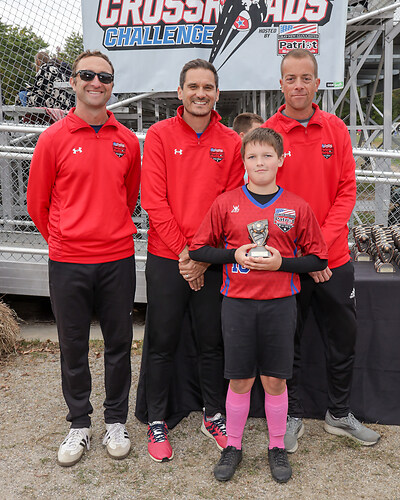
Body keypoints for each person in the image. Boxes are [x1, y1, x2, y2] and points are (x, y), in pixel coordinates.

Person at [189, 127, 328, 483]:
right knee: (240, 379)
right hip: (237, 304)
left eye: (267, 155)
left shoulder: (297, 205)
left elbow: (317, 259)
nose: (260, 162)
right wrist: (232, 255)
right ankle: (233, 446)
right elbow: (198, 249)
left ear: (281, 160)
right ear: (244, 162)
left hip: (280, 305)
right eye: (252, 156)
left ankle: (276, 445)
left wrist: (282, 263)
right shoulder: (226, 203)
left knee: (275, 380)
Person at [27, 50, 141, 466]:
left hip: (117, 259)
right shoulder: (53, 139)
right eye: (87, 75)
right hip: (68, 261)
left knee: (119, 344)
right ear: (73, 81)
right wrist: (64, 239)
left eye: (104, 77)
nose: (96, 82)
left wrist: (105, 231)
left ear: (112, 86)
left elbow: (128, 198)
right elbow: (37, 203)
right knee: (72, 345)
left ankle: (115, 420)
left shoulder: (127, 141)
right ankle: (79, 422)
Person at [263, 48, 380, 453]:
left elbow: (346, 192)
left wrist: (321, 249)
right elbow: (266, 199)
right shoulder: (268, 134)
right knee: (287, 342)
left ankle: (339, 413)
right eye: (290, 78)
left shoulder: (336, 129)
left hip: (333, 260)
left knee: (342, 340)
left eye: (305, 78)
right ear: (280, 83)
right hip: (289, 261)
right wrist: (304, 256)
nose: (298, 85)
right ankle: (291, 415)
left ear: (317, 82)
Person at [138, 58, 244, 462]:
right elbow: (154, 200)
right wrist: (186, 254)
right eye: (193, 87)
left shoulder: (231, 141)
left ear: (217, 93)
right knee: (162, 341)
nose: (201, 94)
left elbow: (229, 205)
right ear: (180, 92)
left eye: (208, 87)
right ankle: (157, 419)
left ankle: (213, 414)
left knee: (211, 342)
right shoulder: (160, 135)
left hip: (210, 259)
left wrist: (201, 256)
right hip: (168, 257)